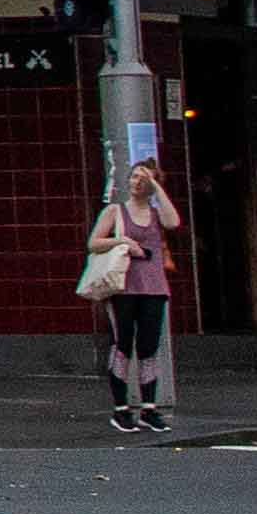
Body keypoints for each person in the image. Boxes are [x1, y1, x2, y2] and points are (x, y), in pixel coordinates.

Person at [89, 156, 185, 435]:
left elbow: (173, 221)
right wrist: (122, 241)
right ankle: (121, 408)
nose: (136, 183)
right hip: (123, 287)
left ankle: (149, 408)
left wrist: (156, 185)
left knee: (148, 346)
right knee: (122, 343)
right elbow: (94, 243)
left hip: (154, 287)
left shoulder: (156, 215)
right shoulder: (116, 212)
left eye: (143, 179)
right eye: (134, 177)